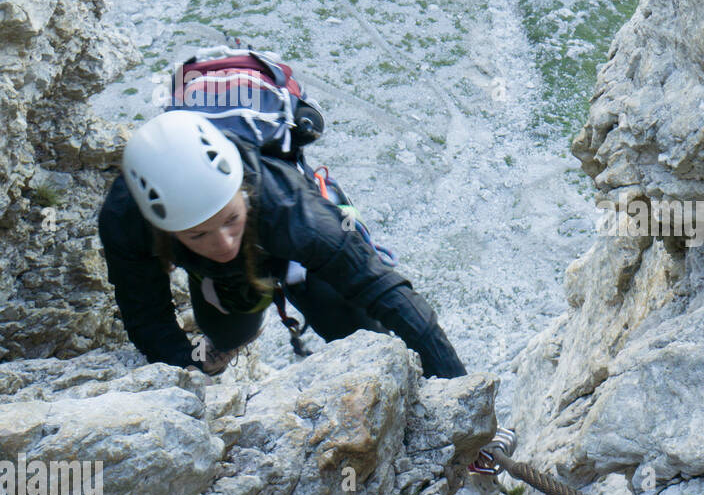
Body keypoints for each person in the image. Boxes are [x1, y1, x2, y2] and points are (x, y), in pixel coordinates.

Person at [97, 109, 466, 379]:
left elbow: (381, 287)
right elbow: (145, 314)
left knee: (357, 334)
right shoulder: (126, 221)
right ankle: (238, 303)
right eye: (199, 233)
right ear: (164, 229)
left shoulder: (291, 209)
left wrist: (456, 387)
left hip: (287, 242)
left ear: (243, 190)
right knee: (230, 332)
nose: (223, 243)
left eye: (230, 219)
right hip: (226, 263)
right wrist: (188, 365)